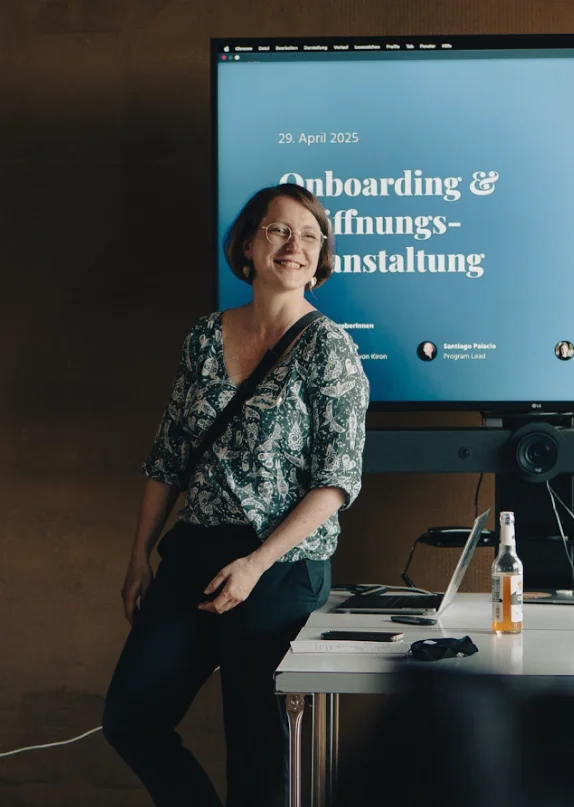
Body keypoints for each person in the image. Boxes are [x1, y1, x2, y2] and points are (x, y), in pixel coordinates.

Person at [102, 183, 369, 807]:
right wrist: (140, 555)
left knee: (257, 746)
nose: (294, 246)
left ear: (321, 255)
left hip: (279, 566)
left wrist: (257, 563)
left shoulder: (330, 349)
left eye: (309, 236)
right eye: (278, 231)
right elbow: (169, 452)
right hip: (194, 554)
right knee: (132, 718)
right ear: (248, 243)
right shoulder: (203, 338)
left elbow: (336, 482)